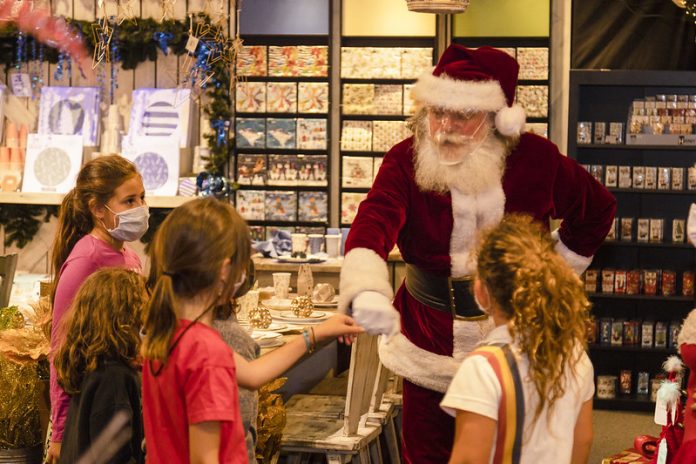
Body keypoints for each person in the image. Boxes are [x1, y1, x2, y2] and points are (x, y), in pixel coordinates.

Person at [338, 43, 616, 463]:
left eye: (462, 115)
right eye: (436, 112)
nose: (445, 126)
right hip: (428, 342)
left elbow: (596, 210)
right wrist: (366, 289)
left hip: (519, 339)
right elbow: (373, 220)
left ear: (496, 117)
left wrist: (547, 274)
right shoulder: (404, 160)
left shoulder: (537, 160)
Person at [141, 198, 363, 463]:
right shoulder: (207, 354)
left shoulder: (171, 333)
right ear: (225, 270)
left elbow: (252, 374)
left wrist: (315, 334)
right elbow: (204, 458)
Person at [440, 215, 594, 463]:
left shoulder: (482, 368)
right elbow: (583, 441)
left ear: (481, 291)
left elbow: (469, 459)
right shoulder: (575, 354)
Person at [48, 155, 148, 463]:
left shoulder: (130, 256)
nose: (141, 208)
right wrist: (61, 431)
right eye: (129, 200)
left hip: (128, 395)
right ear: (97, 209)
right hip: (97, 404)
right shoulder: (85, 261)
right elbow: (60, 348)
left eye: (142, 198)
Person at [53, 268, 147, 464]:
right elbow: (114, 457)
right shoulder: (113, 378)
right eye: (142, 315)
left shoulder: (92, 365)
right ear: (124, 319)